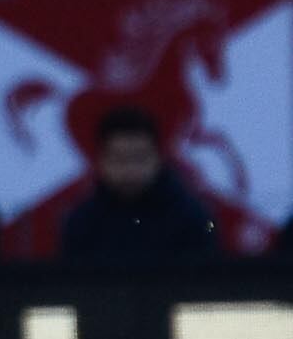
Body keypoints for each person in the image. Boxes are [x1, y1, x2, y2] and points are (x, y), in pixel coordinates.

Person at [60, 107, 222, 260]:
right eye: (120, 160)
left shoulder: (191, 218)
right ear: (101, 161)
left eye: (139, 158)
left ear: (158, 158)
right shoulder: (82, 223)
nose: (130, 170)